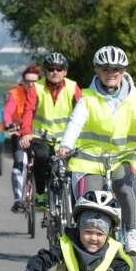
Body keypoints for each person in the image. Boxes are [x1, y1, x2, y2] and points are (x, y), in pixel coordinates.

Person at [58, 45, 136, 256]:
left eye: (116, 70)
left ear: (123, 71)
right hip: (90, 159)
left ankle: (131, 231)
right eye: (105, 69)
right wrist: (66, 145)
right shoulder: (88, 97)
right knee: (89, 201)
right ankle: (84, 243)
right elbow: (75, 123)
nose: (111, 74)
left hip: (124, 156)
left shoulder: (135, 97)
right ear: (98, 71)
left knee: (123, 187)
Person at [19, 52, 82, 209]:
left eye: (59, 69)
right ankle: (40, 194)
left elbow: (84, 112)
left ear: (65, 71)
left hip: (66, 140)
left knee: (74, 166)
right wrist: (25, 133)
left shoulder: (73, 87)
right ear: (45, 71)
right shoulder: (36, 88)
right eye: (51, 69)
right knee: (41, 157)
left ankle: (74, 201)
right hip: (42, 137)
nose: (55, 72)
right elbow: (28, 111)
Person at [3, 65, 42, 213]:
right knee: (20, 163)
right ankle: (18, 200)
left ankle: (42, 196)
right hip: (19, 134)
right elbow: (8, 112)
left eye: (34, 82)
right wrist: (9, 124)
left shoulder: (43, 93)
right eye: (27, 81)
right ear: (22, 81)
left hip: (38, 135)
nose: (30, 84)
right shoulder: (16, 93)